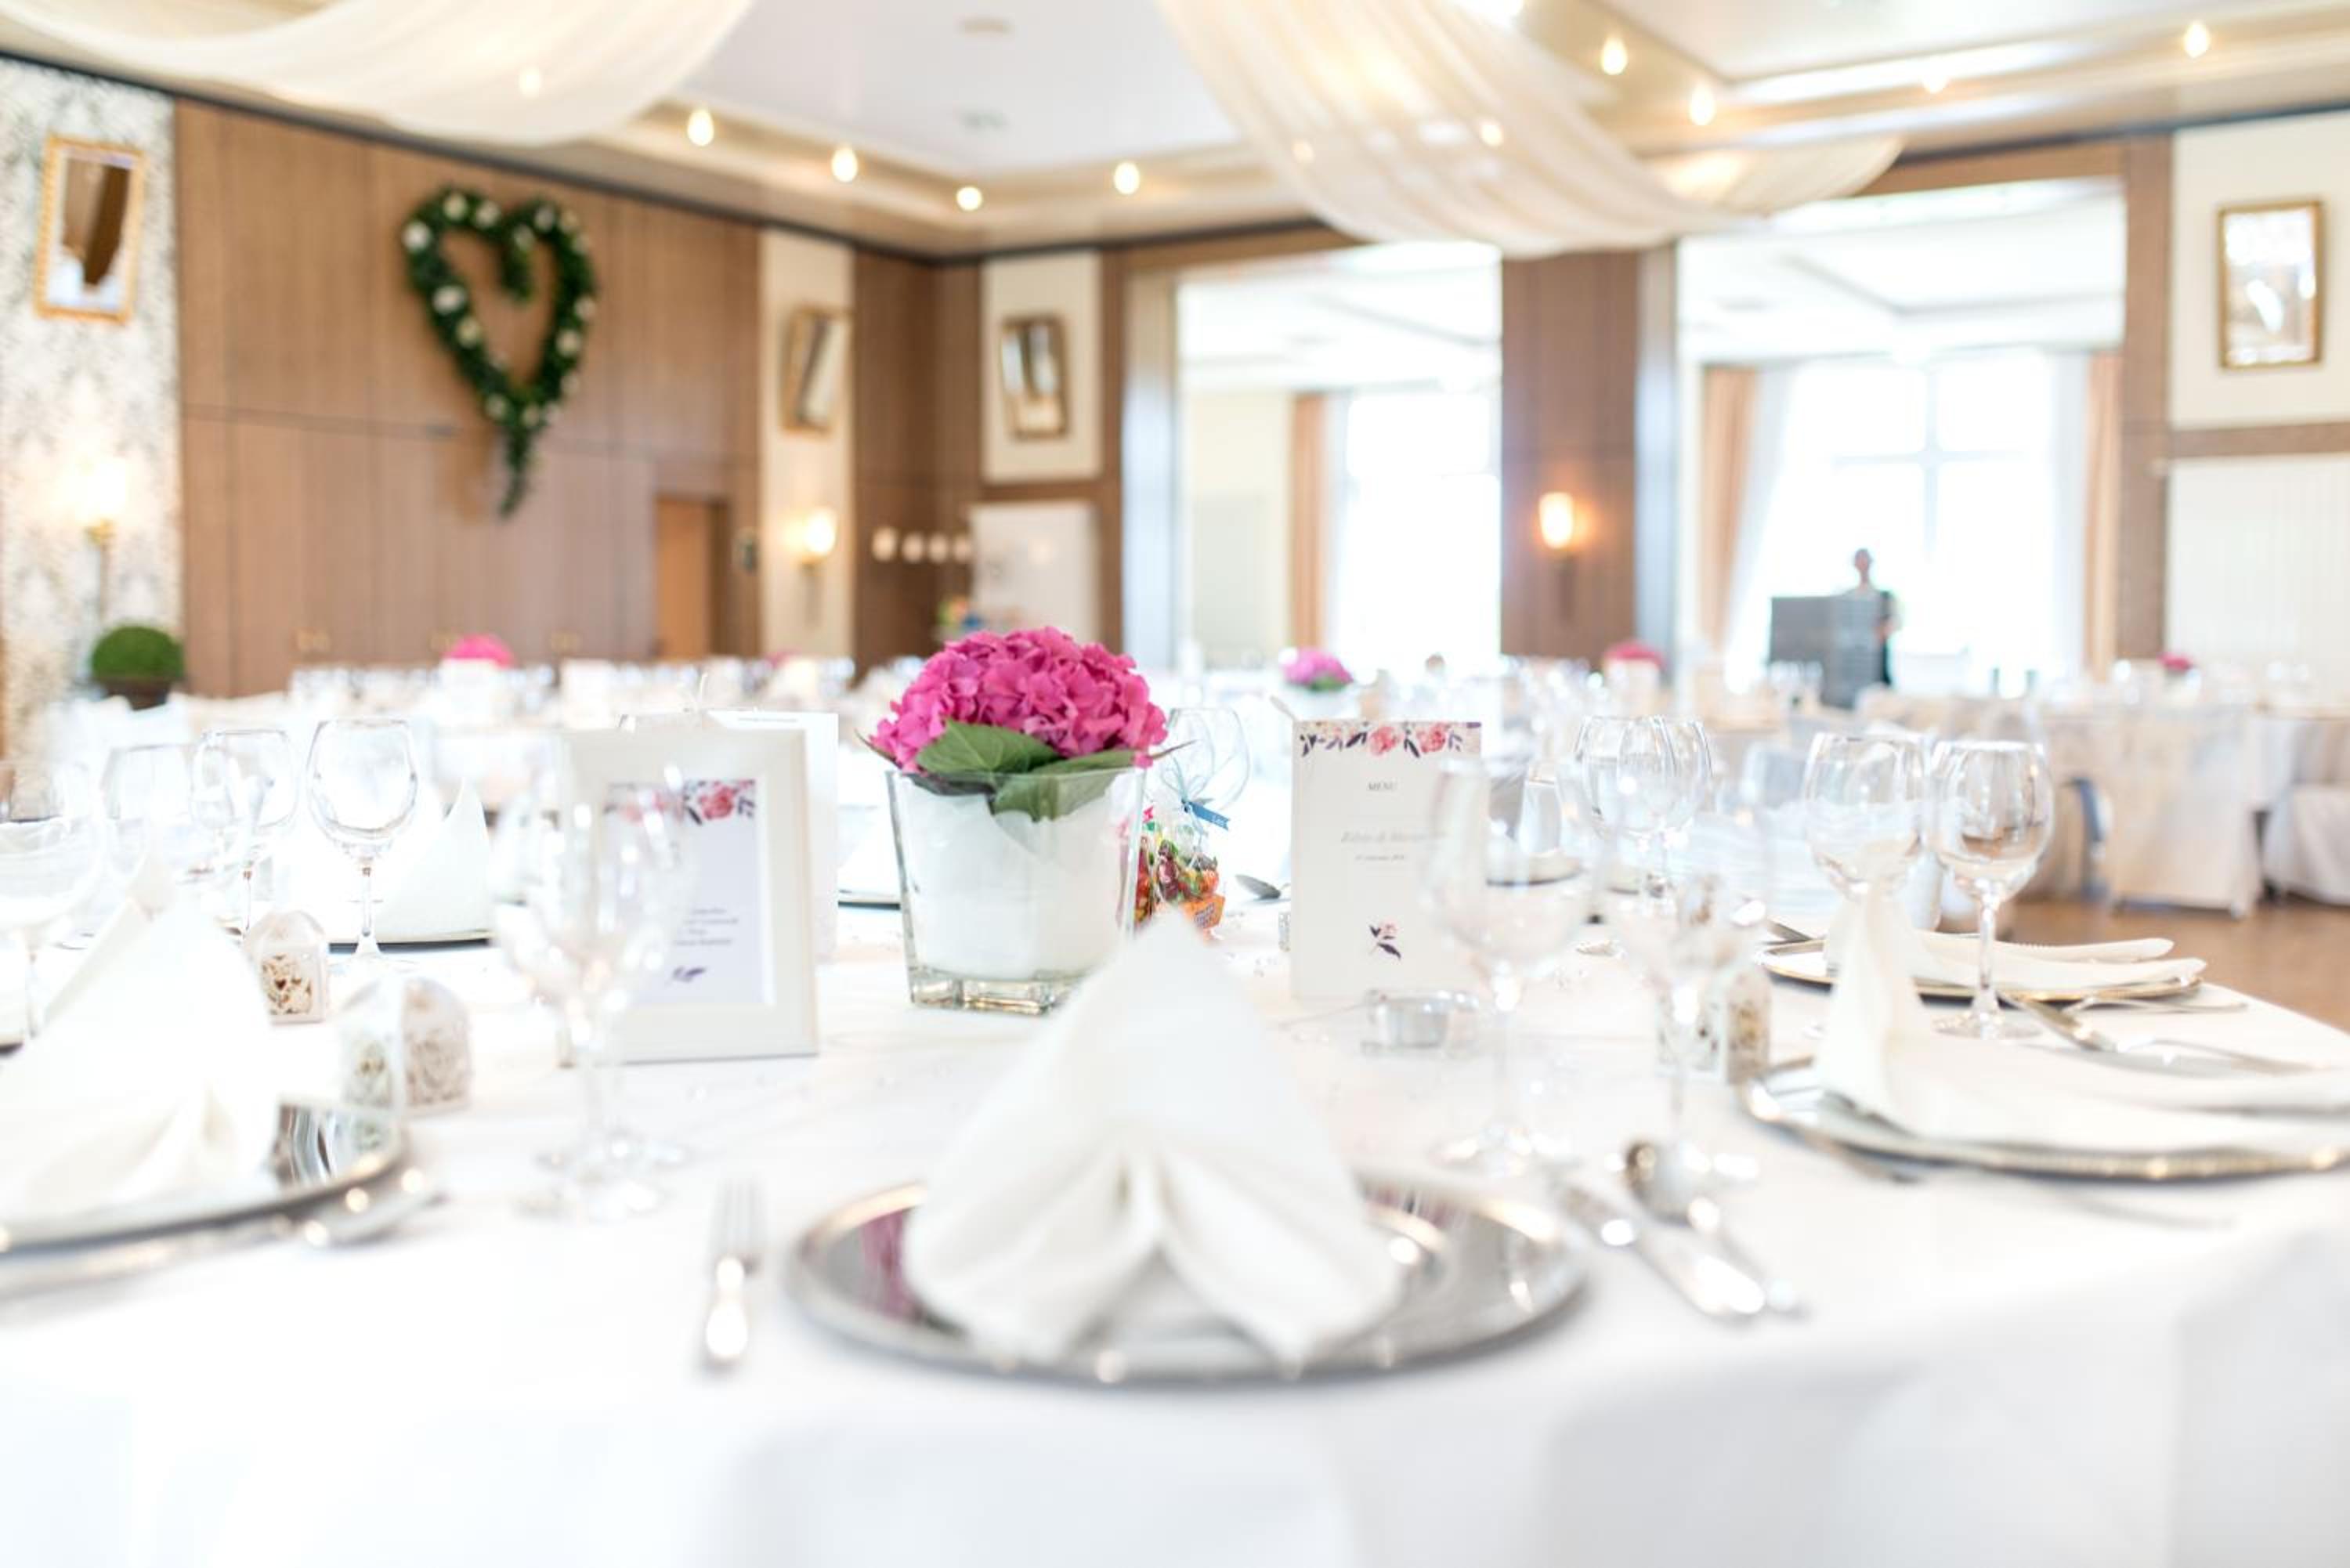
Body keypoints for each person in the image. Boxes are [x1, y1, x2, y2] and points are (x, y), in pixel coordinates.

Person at [1846, 548, 1901, 688]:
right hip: (1852, 666)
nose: (1863, 564)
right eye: (1859, 560)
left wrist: (1884, 630)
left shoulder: (1885, 596)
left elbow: (1897, 622)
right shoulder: (1847, 597)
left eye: (1865, 560)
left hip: (1879, 667)